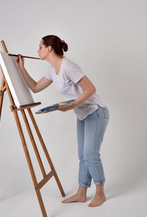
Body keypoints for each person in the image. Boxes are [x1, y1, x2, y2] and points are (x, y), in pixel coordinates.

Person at [16, 35, 110, 207]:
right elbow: (36, 88)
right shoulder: (53, 70)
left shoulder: (68, 66)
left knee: (90, 155)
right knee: (83, 156)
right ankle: (82, 193)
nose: (38, 51)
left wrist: (72, 104)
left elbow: (91, 89)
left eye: (40, 47)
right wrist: (22, 69)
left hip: (96, 112)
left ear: (49, 49)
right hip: (82, 114)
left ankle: (100, 193)